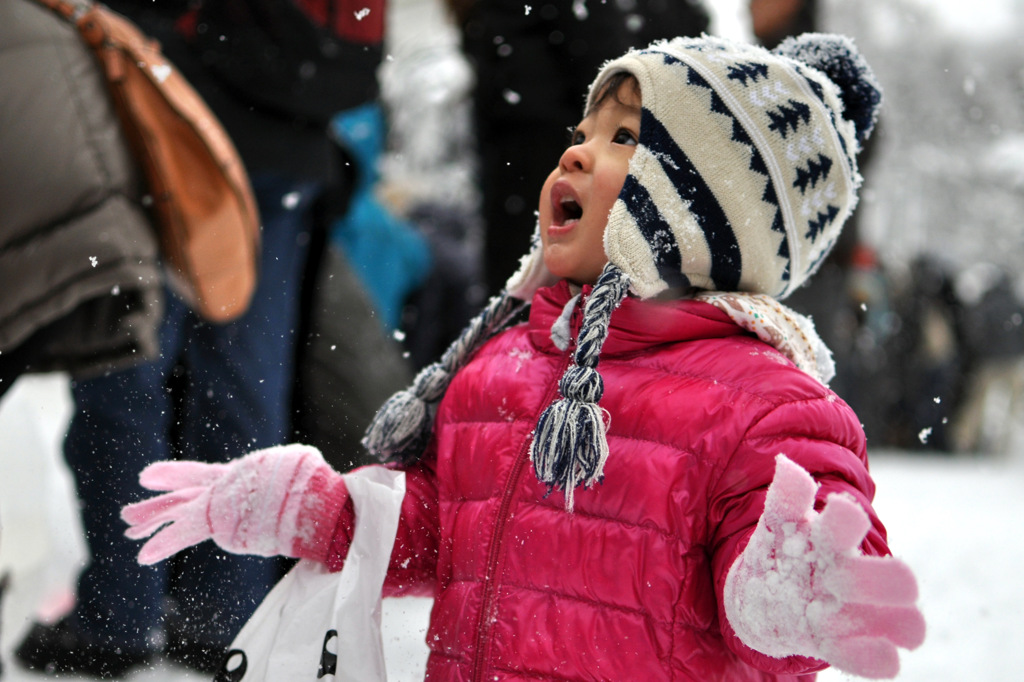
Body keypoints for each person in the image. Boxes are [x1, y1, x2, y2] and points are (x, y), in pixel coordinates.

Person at [121, 33, 926, 680]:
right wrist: (329, 512)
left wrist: (793, 598)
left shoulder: (766, 406)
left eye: (623, 139)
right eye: (580, 134)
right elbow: (450, 534)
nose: (573, 153)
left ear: (704, 208)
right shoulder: (505, 364)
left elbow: (792, 586)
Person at [12, 0, 395, 678]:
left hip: (173, 124)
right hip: (286, 144)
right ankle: (227, 613)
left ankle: (119, 613)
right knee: (245, 389)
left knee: (124, 371)